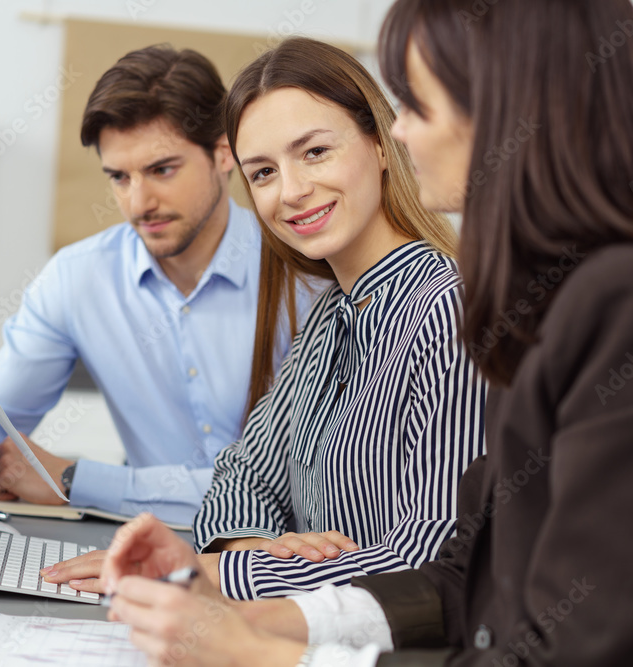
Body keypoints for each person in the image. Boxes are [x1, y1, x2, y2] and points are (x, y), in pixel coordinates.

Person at [100, 1, 633, 665]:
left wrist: (269, 655)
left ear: (509, 108)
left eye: (415, 105)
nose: (400, 132)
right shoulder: (546, 301)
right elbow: (463, 569)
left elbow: (565, 651)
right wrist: (259, 612)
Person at [46, 37, 487, 599]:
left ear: (381, 143)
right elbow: (241, 477)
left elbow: (433, 563)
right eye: (262, 173)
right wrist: (246, 546)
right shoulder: (332, 316)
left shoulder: (450, 312)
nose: (292, 192)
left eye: (314, 152)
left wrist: (212, 572)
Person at [0, 45, 308, 527]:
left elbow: (291, 490)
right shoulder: (78, 278)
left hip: (291, 563)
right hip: (148, 553)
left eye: (162, 169)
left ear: (224, 154)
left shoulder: (307, 276)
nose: (139, 202)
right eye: (119, 177)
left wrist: (77, 479)